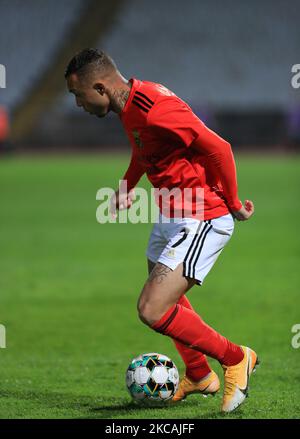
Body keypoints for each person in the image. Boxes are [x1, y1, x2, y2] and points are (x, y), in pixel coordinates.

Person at [65, 48, 259, 413]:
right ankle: (199, 374)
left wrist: (232, 202)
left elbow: (220, 147)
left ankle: (236, 358)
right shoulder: (131, 107)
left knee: (152, 308)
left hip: (203, 215)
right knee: (162, 289)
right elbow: (146, 149)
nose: (78, 103)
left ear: (100, 87)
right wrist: (127, 184)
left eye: (78, 95)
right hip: (172, 213)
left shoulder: (155, 108)